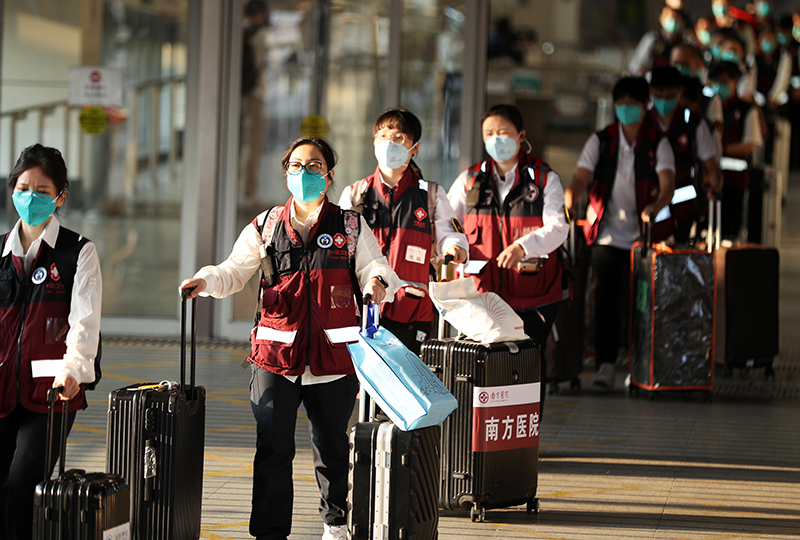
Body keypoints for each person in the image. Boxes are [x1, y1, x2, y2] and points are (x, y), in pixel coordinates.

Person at [180, 137, 400, 540]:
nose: (304, 173)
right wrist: (206, 280)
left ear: (329, 175)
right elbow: (233, 271)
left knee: (332, 446)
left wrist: (375, 286)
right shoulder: (265, 226)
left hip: (333, 358)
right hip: (275, 356)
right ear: (285, 173)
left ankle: (335, 524)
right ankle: (269, 532)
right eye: (296, 165)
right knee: (272, 447)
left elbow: (377, 267)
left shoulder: (349, 225)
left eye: (314, 166)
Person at [0, 144, 102, 540]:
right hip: (2, 388)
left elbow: (84, 322)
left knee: (22, 482)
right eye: (24, 188)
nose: (31, 197)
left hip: (52, 394)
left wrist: (74, 370)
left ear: (60, 196)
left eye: (43, 191)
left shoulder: (78, 252)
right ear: (12, 190)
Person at [447, 104, 568, 400]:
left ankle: (525, 438)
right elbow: (449, 225)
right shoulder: (470, 179)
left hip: (533, 294)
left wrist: (523, 246)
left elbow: (558, 227)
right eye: (490, 133)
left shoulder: (542, 179)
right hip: (482, 294)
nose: (496, 139)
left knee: (527, 369)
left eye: (504, 132)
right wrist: (455, 249)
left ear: (521, 136)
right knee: (485, 368)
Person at [565, 77, 675, 389]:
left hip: (643, 239)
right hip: (607, 236)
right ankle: (606, 365)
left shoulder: (657, 143)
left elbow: (667, 185)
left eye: (633, 104)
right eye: (622, 104)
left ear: (645, 107)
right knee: (605, 300)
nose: (627, 110)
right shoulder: (601, 140)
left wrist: (655, 205)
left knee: (640, 303)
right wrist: (571, 199)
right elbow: (582, 177)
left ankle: (640, 365)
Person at [338, 108, 468, 355]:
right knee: (362, 387)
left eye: (399, 138)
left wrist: (454, 247)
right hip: (364, 305)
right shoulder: (355, 194)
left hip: (412, 308)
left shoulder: (429, 194)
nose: (390, 144)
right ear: (374, 142)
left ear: (414, 148)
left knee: (407, 383)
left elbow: (447, 232)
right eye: (383, 136)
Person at [646, 66, 721, 242]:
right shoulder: (643, 123)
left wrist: (714, 187)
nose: (664, 102)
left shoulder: (693, 124)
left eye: (669, 97)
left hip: (684, 210)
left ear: (680, 92)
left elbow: (712, 168)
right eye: (659, 96)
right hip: (648, 206)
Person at [707, 60, 764, 238]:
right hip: (707, 179)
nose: (719, 86)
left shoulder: (745, 109)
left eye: (724, 82)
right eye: (715, 81)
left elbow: (750, 144)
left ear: (735, 82)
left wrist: (720, 150)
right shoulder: (705, 106)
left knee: (729, 230)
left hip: (734, 180)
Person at [239, 0, 269, 202]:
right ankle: (249, 189)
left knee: (235, 142)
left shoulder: (235, 32)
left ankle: (231, 183)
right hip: (254, 95)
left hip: (235, 96)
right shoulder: (262, 35)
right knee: (253, 143)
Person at [628, 5, 690, 76]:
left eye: (675, 18)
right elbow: (637, 66)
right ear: (661, 18)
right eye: (668, 17)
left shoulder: (685, 42)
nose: (672, 21)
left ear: (682, 21)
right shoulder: (652, 39)